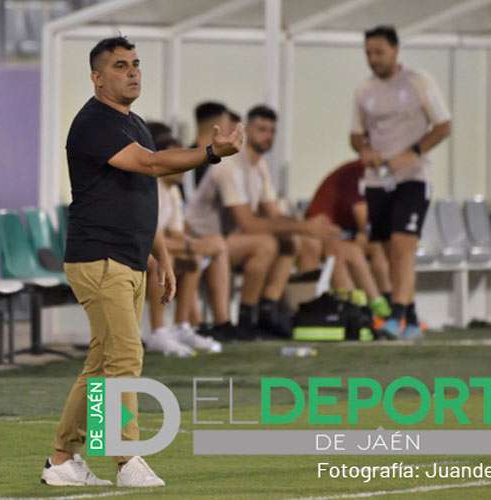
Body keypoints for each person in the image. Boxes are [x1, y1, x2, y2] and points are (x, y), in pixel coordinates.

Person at [42, 36, 242, 488]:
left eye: (135, 64)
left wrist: (163, 258)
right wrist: (210, 153)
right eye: (119, 66)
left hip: (129, 260)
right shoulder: (93, 124)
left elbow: (143, 194)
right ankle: (125, 458)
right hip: (99, 257)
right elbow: (153, 167)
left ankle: (61, 461)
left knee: (101, 363)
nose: (132, 72)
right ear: (96, 77)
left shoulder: (134, 124)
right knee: (127, 356)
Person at [186, 105, 341, 340]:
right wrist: (304, 226)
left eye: (271, 131)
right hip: (200, 239)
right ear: (247, 129)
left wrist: (308, 227)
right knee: (266, 244)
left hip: (226, 239)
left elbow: (273, 213)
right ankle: (246, 318)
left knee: (293, 241)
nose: (267, 135)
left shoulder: (259, 165)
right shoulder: (229, 166)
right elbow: (247, 223)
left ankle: (268, 310)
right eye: (261, 129)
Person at [350, 25, 451, 339]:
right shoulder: (364, 91)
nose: (373, 59)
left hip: (412, 178)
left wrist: (413, 152)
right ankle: (409, 314)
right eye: (368, 53)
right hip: (377, 181)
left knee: (403, 243)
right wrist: (364, 151)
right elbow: (355, 134)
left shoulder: (419, 82)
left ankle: (396, 317)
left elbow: (443, 126)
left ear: (395, 50)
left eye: (379, 52)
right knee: (387, 249)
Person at [143, 125, 229, 357]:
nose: (183, 166)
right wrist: (190, 246)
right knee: (165, 258)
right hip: (131, 248)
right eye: (176, 158)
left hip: (154, 247)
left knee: (193, 258)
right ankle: (157, 332)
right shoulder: (149, 187)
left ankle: (182, 327)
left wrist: (194, 247)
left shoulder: (173, 192)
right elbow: (147, 234)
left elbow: (174, 234)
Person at [298, 160, 391, 319]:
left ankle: (387, 303)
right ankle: (358, 308)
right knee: (342, 252)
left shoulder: (380, 175)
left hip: (343, 234)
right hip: (323, 234)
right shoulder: (355, 172)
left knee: (378, 248)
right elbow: (363, 217)